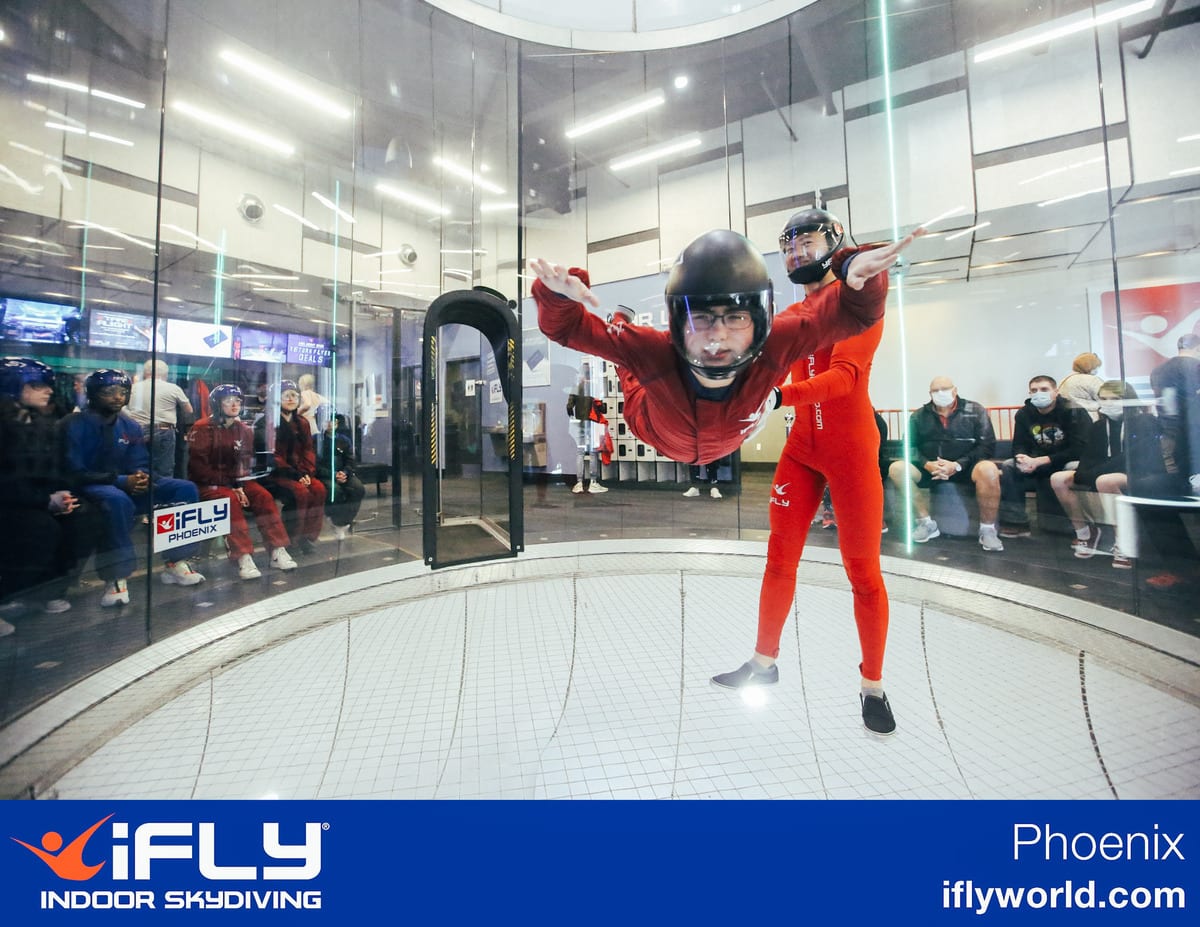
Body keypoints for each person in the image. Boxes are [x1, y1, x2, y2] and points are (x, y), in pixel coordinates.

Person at [710, 207, 897, 734]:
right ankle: (764, 662)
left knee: (863, 574)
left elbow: (843, 377)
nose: (795, 253)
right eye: (787, 245)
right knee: (778, 560)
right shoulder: (795, 311)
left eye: (806, 242)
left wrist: (777, 395)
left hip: (851, 451)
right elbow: (767, 364)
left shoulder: (861, 306)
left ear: (835, 241)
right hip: (802, 450)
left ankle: (873, 685)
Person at [530, 223, 924, 465]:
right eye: (701, 318)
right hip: (652, 426)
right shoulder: (655, 348)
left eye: (735, 318)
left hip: (721, 436)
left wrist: (857, 276)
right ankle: (621, 321)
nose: (717, 336)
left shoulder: (779, 341)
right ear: (678, 321)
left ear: (761, 320)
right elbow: (568, 330)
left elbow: (851, 314)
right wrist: (558, 298)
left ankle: (623, 327)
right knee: (630, 364)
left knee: (633, 353)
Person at [62, 369, 205, 606]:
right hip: (91, 487)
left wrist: (142, 476)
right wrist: (122, 481)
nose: (118, 397)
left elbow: (139, 461)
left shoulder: (130, 425)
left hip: (126, 485)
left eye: (122, 392)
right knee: (118, 500)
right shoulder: (73, 424)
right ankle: (117, 576)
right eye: (109, 392)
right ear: (93, 394)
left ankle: (175, 562)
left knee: (185, 489)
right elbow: (75, 471)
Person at [0, 358, 98, 629]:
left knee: (84, 518)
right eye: (36, 386)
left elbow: (55, 465)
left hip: (37, 498)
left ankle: (48, 590)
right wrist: (46, 500)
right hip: (13, 502)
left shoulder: (43, 421)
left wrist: (61, 493)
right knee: (40, 529)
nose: (48, 391)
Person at [188, 384, 297, 578]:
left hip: (237, 482)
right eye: (228, 401)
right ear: (217, 404)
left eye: (238, 401)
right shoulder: (202, 428)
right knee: (229, 501)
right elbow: (199, 469)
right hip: (209, 483)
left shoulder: (244, 430)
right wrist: (233, 486)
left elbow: (244, 463)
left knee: (263, 496)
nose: (234, 404)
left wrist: (239, 484)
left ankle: (277, 549)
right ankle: (243, 556)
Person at [887, 376, 1003, 551]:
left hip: (967, 467)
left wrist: (956, 465)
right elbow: (908, 446)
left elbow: (987, 446)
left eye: (945, 389)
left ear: (955, 390)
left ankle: (987, 530)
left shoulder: (975, 410)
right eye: (935, 390)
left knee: (989, 469)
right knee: (897, 468)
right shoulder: (919, 416)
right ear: (930, 394)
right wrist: (927, 464)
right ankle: (925, 523)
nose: (940, 393)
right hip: (930, 468)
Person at [1049, 380, 1138, 566]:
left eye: (1115, 399)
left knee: (1105, 481)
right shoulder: (1098, 426)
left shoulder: (1142, 423)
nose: (1109, 403)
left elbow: (1131, 458)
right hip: (1104, 471)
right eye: (1104, 399)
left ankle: (1123, 542)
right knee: (1059, 479)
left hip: (1134, 471)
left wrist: (1094, 474)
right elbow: (1089, 455)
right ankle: (1085, 533)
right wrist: (1084, 473)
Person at [998, 375, 1091, 538]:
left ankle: (1079, 524)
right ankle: (1017, 523)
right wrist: (1021, 458)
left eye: (1044, 389)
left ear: (1056, 392)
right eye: (1034, 390)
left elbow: (1080, 448)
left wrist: (1042, 460)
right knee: (1009, 466)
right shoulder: (1024, 414)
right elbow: (1019, 443)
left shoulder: (1074, 411)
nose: (1038, 393)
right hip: (1036, 460)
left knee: (1070, 468)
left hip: (1066, 461)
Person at [256, 379, 327, 555]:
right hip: (276, 474)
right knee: (300, 493)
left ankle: (307, 537)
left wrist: (307, 472)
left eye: (294, 395)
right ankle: (290, 540)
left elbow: (308, 451)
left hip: (299, 473)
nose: (291, 399)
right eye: (286, 395)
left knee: (318, 489)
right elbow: (272, 456)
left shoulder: (302, 422)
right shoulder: (267, 423)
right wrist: (296, 475)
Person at [125, 359, 195, 480]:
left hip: (138, 430)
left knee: (139, 467)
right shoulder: (173, 388)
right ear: (165, 374)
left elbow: (121, 408)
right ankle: (162, 497)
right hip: (164, 431)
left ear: (145, 372)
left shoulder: (133, 388)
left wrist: (133, 417)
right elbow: (189, 410)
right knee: (164, 470)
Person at [1149, 332, 1200, 496]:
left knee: (1176, 480)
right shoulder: (1196, 367)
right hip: (1193, 432)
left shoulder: (1158, 371)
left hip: (1167, 432)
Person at [319, 413, 366, 540]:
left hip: (343, 473)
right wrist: (333, 474)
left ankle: (343, 522)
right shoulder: (317, 440)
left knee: (358, 489)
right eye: (327, 421)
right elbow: (316, 464)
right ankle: (334, 518)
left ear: (337, 424)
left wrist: (345, 472)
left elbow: (350, 460)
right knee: (335, 491)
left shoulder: (344, 440)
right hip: (325, 475)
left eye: (333, 422)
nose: (330, 424)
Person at [566, 361, 607, 494]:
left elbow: (568, 407)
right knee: (593, 452)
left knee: (580, 452)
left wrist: (574, 417)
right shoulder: (595, 387)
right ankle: (593, 482)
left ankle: (579, 483)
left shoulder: (576, 387)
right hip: (593, 423)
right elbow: (602, 408)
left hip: (579, 424)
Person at [1058, 352, 1105, 421]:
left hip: (1069, 418)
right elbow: (1106, 400)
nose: (1097, 369)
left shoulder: (1065, 380)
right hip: (1091, 419)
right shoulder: (1092, 380)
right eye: (1096, 366)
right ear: (1090, 366)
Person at [297, 374, 329, 444]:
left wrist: (295, 413)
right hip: (316, 428)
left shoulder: (305, 393)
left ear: (302, 384)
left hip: (306, 427)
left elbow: (307, 404)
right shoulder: (319, 397)